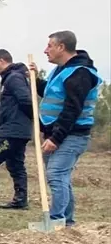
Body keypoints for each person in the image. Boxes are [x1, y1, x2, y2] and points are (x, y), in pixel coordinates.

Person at [35, 30, 102, 227]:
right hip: (57, 134)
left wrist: (56, 138)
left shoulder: (80, 73)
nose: (45, 50)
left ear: (61, 47)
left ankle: (56, 223)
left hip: (71, 136)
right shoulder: (62, 70)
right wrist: (34, 80)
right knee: (61, 177)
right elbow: (51, 92)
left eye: (49, 46)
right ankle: (67, 223)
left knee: (56, 174)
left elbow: (72, 109)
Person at [0, 49, 33, 210]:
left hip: (12, 130)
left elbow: (26, 100)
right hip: (17, 130)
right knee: (15, 164)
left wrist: (29, 119)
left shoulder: (14, 78)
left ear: (1, 61)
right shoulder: (11, 78)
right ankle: (20, 200)